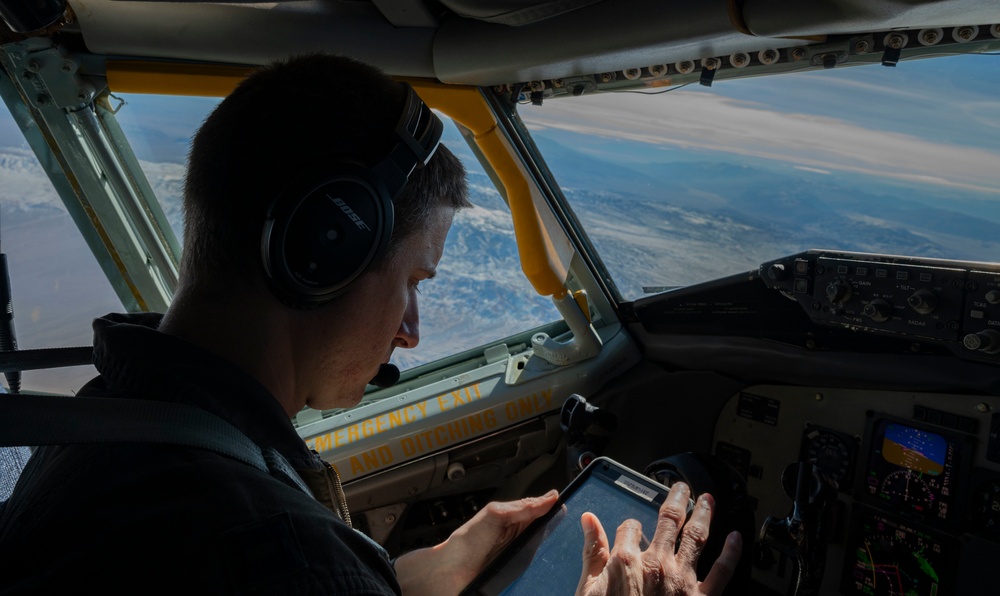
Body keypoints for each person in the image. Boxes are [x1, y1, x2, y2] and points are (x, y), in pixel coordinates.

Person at [0, 54, 739, 594]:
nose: (411, 331)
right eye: (413, 281)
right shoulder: (273, 548)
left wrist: (397, 576)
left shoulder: (101, 429)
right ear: (327, 245)